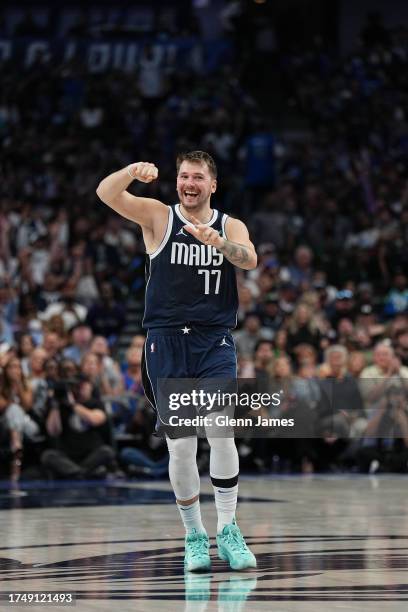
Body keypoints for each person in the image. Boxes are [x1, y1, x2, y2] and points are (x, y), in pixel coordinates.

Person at [97, 151, 257, 572]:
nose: (189, 182)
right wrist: (130, 171)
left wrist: (221, 244)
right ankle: (193, 536)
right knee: (182, 446)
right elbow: (105, 193)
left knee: (222, 433)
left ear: (212, 185)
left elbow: (249, 258)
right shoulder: (158, 216)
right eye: (184, 175)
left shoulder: (229, 224)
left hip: (214, 341)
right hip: (167, 343)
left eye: (198, 177)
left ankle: (228, 529)